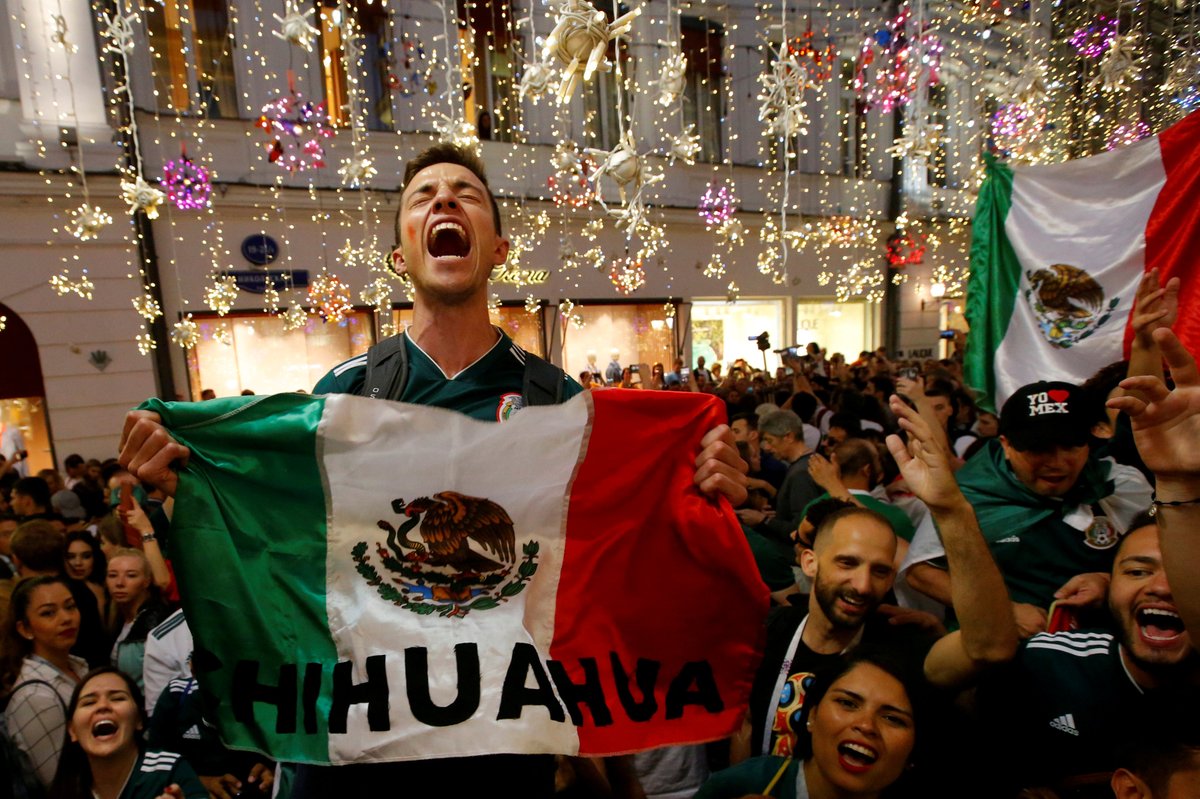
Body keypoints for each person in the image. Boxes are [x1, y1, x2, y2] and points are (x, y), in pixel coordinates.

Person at [118, 142, 747, 796]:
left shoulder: (557, 403)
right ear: (401, 256)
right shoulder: (344, 394)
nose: (445, 198)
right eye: (423, 196)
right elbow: (284, 550)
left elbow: (613, 561)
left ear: (498, 249)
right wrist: (191, 479)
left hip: (502, 747)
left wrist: (695, 485)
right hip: (367, 748)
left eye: (466, 193)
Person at [735, 395, 1017, 761]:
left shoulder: (902, 647)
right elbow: (746, 726)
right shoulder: (768, 633)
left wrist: (951, 510)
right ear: (809, 562)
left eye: (881, 570)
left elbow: (991, 647)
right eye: (847, 563)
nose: (863, 585)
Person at [903, 380, 1152, 637]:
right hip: (998, 648)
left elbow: (1162, 555)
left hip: (1102, 647)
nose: (1056, 462)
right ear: (1006, 445)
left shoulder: (1120, 486)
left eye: (1070, 446)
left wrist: (1109, 581)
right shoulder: (966, 496)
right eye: (1038, 448)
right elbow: (921, 572)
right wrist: (1002, 610)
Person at [973, 520, 1197, 797]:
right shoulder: (1044, 666)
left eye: (1189, 572)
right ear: (1110, 586)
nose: (1162, 587)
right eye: (1137, 572)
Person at [699, 648, 928, 799]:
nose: (866, 725)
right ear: (812, 715)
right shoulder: (739, 785)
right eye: (847, 703)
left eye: (892, 718)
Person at [49, 666, 207, 799]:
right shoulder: (66, 787)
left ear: (139, 720)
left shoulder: (170, 773)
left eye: (117, 698)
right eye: (89, 702)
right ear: (72, 730)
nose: (103, 706)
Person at [1, 575, 87, 786]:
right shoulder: (36, 696)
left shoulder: (78, 665)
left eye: (70, 607)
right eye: (48, 613)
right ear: (25, 629)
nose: (66, 618)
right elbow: (58, 782)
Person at [107, 548, 170, 690]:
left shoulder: (156, 621)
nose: (119, 583)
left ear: (146, 581)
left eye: (131, 575)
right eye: (112, 575)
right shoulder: (115, 619)